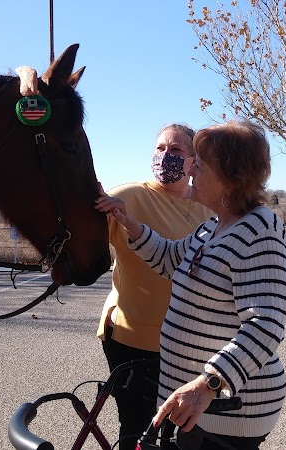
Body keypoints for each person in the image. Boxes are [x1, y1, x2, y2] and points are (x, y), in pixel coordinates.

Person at [96, 120, 286, 450]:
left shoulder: (260, 231)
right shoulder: (215, 225)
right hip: (196, 407)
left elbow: (265, 326)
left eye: (200, 165)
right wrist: (129, 222)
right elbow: (170, 258)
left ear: (231, 177)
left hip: (229, 411)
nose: (190, 171)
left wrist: (207, 385)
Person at [96, 123, 213, 450]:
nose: (165, 156)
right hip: (133, 339)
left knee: (184, 431)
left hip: (190, 343)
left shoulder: (209, 207)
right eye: (160, 148)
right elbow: (82, 236)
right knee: (139, 430)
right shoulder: (129, 197)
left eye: (175, 150)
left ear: (194, 160)